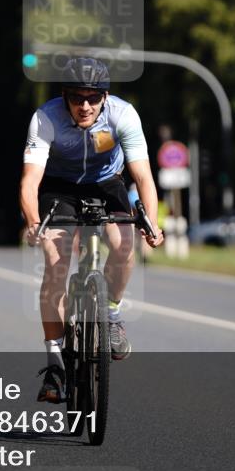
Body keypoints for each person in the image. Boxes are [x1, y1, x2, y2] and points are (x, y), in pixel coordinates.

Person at [19, 57, 164, 403]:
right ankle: (55, 362)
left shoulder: (123, 115)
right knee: (56, 261)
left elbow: (143, 176)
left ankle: (111, 313)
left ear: (105, 97)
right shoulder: (46, 118)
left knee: (125, 243)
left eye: (93, 98)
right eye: (76, 98)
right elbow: (29, 182)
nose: (84, 106)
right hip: (59, 186)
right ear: (65, 96)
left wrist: (153, 223)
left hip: (106, 183)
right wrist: (34, 224)